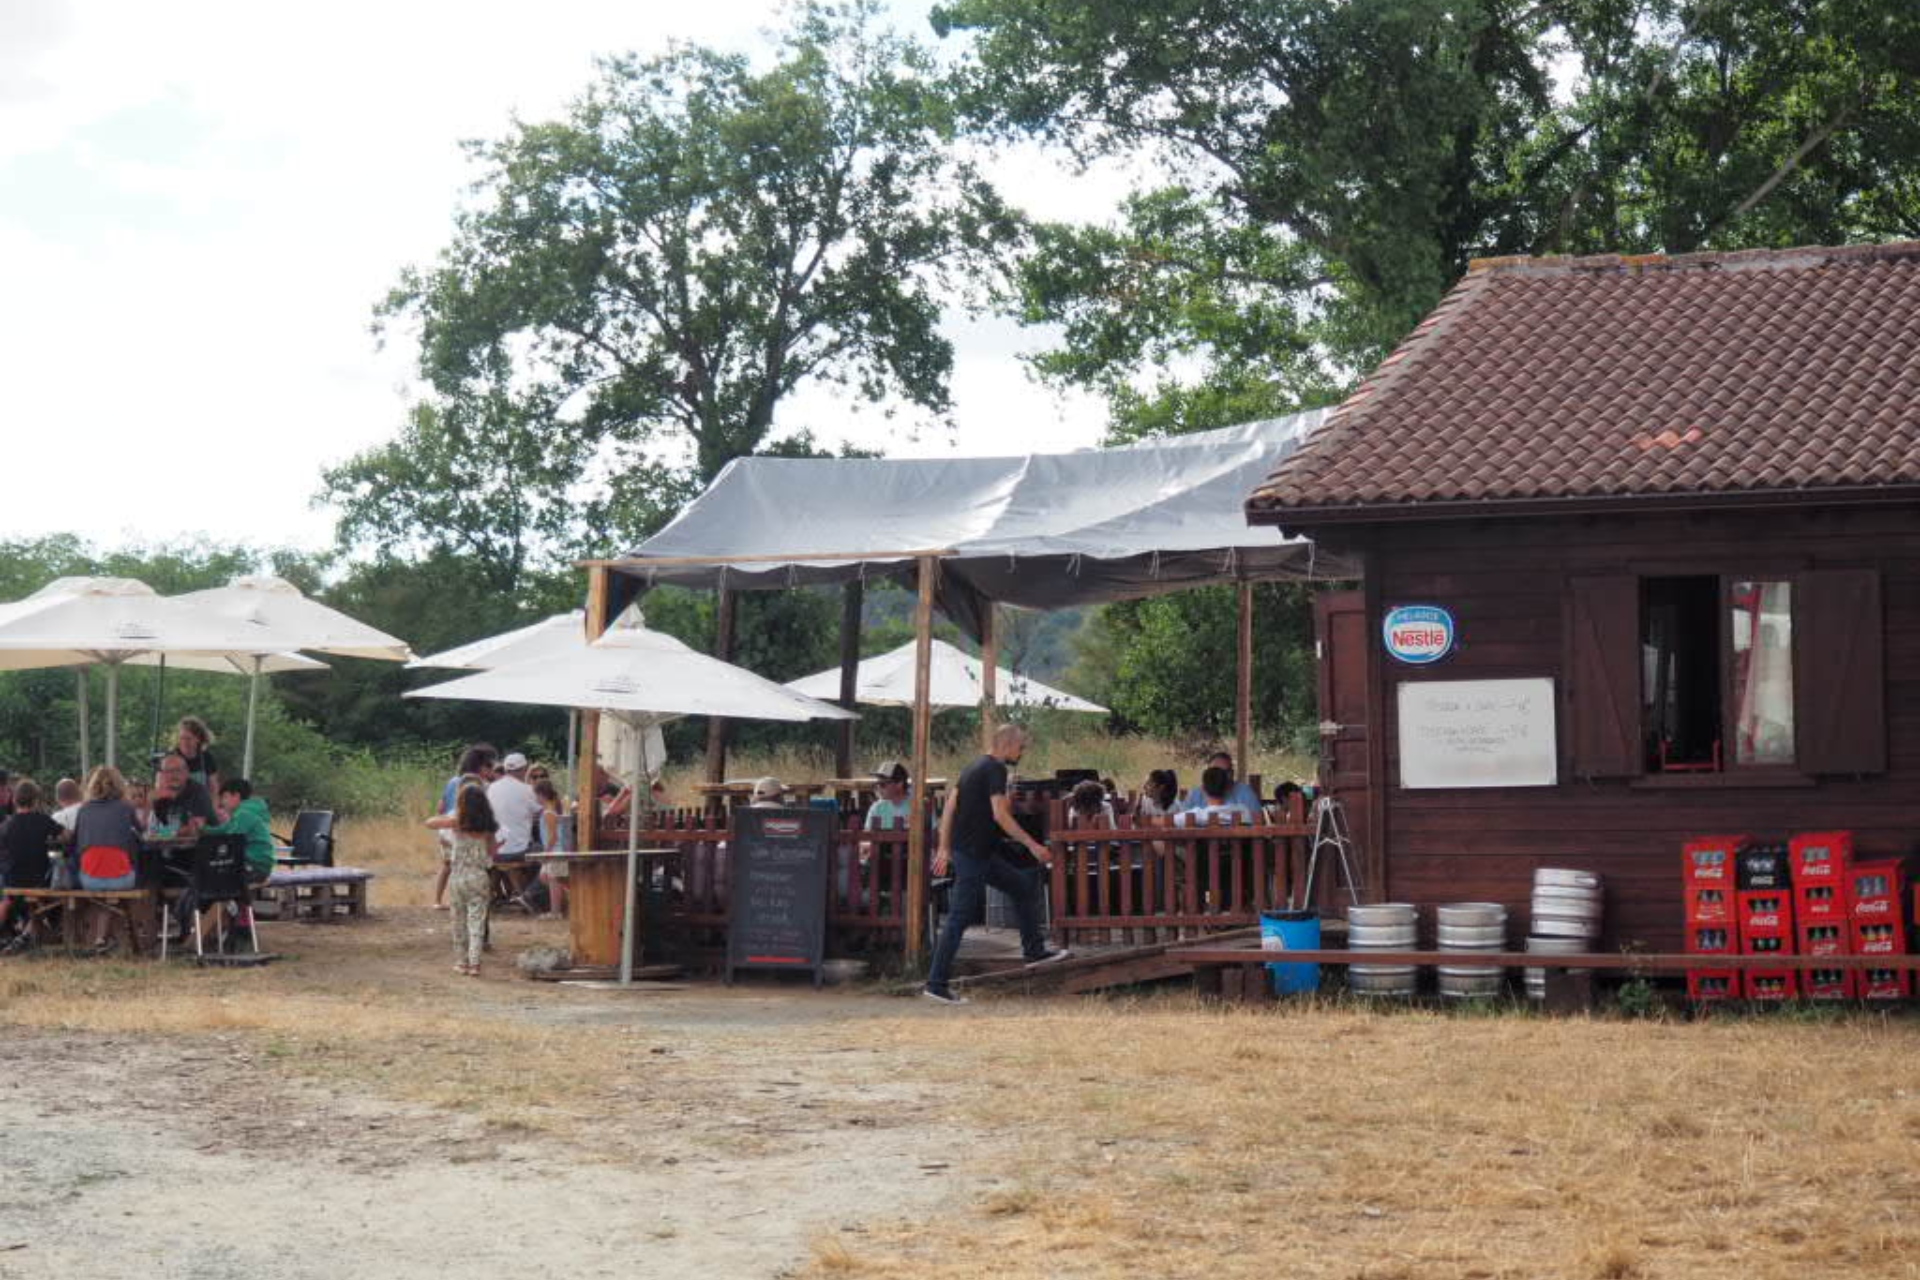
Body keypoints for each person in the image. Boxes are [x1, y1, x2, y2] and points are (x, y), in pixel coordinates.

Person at [922, 724, 1070, 1005]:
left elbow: (950, 808)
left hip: (979, 853)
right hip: (973, 854)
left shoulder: (971, 768)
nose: (1022, 751)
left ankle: (1034, 951)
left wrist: (944, 846)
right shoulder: (995, 769)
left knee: (1022, 887)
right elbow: (1000, 815)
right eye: (1021, 746)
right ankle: (936, 984)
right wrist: (1033, 845)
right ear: (1006, 744)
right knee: (959, 918)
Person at [425, 782, 500, 977]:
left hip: (458, 877)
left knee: (459, 921)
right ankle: (475, 963)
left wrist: (452, 816)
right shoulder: (489, 828)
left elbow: (429, 822)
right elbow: (492, 852)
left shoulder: (457, 823)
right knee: (477, 921)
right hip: (480, 876)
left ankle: (462, 962)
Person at [72, 766, 143, 952]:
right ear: (120, 785)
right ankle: (111, 939)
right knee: (122, 887)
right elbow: (142, 834)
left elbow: (75, 844)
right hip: (121, 878)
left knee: (104, 897)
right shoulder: (126, 808)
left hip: (89, 879)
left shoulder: (84, 810)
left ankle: (102, 939)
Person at [201, 778, 276, 949]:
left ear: (236, 796)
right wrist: (204, 830)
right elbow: (224, 830)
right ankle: (231, 924)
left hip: (255, 865)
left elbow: (230, 840)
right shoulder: (243, 814)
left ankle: (230, 926)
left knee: (214, 880)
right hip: (254, 864)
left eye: (225, 797)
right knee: (218, 878)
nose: (222, 803)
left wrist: (205, 837)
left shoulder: (245, 814)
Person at [433, 744, 497, 911]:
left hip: (448, 827)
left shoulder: (453, 781)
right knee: (474, 866)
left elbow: (440, 807)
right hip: (471, 829)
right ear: (481, 766)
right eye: (488, 766)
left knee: (448, 865)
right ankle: (477, 899)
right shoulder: (480, 784)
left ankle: (438, 899)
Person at [0, 780, 58, 939]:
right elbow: (67, 836)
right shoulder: (44, 820)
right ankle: (27, 933)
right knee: (53, 890)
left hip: (12, 879)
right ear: (36, 800)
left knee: (7, 899)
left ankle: (23, 933)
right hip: (39, 879)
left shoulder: (6, 824)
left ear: (14, 800)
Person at [486, 752, 544, 900]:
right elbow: (542, 810)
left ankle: (507, 893)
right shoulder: (527, 790)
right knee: (547, 853)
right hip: (518, 851)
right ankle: (530, 894)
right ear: (523, 769)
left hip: (493, 851)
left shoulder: (491, 788)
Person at [149, 752, 214, 841]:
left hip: (199, 849)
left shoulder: (199, 792)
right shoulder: (161, 794)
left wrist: (164, 833)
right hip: (171, 848)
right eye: (168, 771)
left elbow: (196, 828)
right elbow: (151, 827)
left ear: (187, 772)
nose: (173, 775)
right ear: (162, 774)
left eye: (178, 770)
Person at [1179, 752, 1261, 815]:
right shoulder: (1195, 794)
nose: (1220, 775)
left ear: (1232, 773)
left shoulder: (1245, 792)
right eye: (1215, 771)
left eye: (1225, 772)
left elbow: (1257, 821)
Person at [532, 778, 568, 918]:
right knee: (546, 877)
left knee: (553, 879)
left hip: (556, 850)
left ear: (541, 795)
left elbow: (553, 836)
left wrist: (546, 852)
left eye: (536, 795)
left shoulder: (548, 813)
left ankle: (556, 911)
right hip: (554, 849)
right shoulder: (548, 811)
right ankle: (560, 906)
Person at [1174, 766, 1254, 827]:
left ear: (1203, 789)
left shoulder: (1196, 815)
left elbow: (1164, 822)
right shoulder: (1243, 811)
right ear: (1227, 788)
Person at [173, 717, 220, 794]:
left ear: (198, 739)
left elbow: (214, 788)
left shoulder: (206, 758)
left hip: (201, 803)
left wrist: (212, 805)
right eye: (182, 738)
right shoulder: (171, 758)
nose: (184, 742)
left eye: (188, 739)